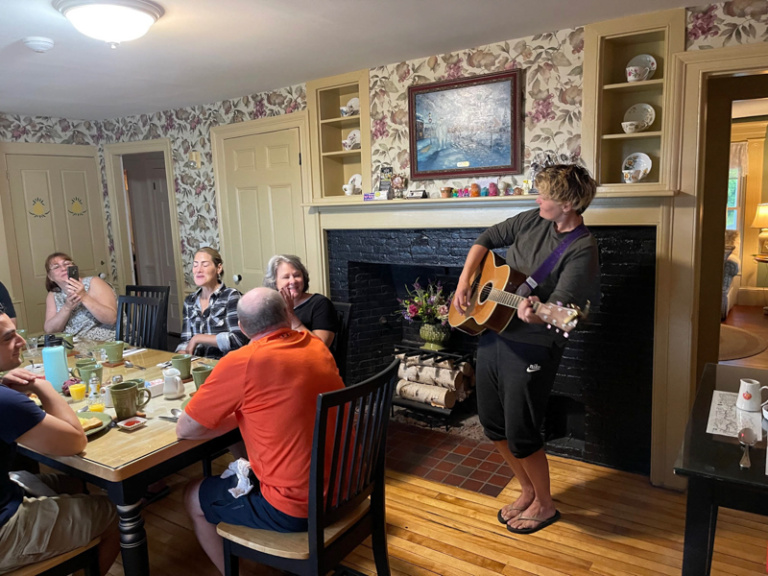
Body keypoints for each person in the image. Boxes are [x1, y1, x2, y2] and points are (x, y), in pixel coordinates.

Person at [452, 164, 600, 535]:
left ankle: (545, 505)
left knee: (522, 429)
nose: (538, 200)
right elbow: (487, 237)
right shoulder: (533, 219)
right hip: (493, 332)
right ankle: (528, 491)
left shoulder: (582, 248)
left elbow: (562, 311)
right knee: (492, 422)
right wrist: (465, 280)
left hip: (532, 345)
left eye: (546, 195)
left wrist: (536, 313)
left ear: (568, 204)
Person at [177, 287, 344, 574]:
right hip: (346, 485)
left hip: (296, 508)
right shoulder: (315, 345)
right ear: (286, 315)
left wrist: (236, 417)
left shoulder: (242, 361)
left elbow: (186, 429)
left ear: (241, 328)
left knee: (193, 495)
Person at [0, 307, 120, 574]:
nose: (21, 341)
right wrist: (42, 387)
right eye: (8, 338)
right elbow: (76, 441)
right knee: (115, 512)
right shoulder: (5, 401)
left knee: (72, 481)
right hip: (4, 530)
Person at [177, 247, 248, 359]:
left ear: (218, 268)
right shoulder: (189, 301)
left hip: (223, 365)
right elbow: (186, 340)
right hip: (196, 365)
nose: (198, 270)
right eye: (195, 265)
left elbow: (238, 340)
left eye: (204, 265)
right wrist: (182, 352)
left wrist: (198, 338)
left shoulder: (231, 296)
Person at [262, 254, 337, 347]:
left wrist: (290, 315)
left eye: (297, 275)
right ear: (274, 282)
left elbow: (321, 347)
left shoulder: (320, 304)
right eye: (286, 277)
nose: (293, 281)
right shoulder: (270, 305)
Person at [44, 252, 117, 341]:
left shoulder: (94, 282)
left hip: (106, 341)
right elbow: (50, 330)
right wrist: (67, 307)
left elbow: (111, 319)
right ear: (50, 277)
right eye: (56, 267)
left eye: (67, 263)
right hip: (74, 345)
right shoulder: (54, 295)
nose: (63, 268)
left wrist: (84, 296)